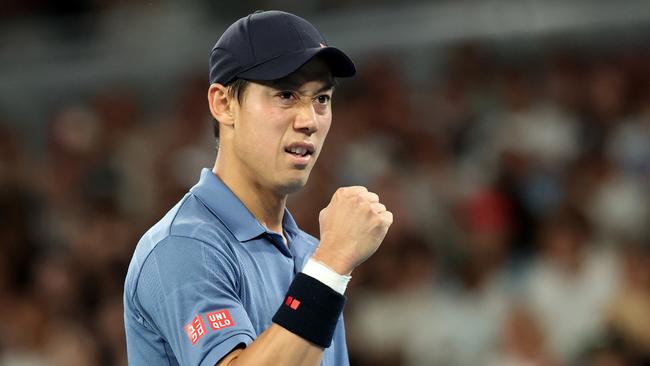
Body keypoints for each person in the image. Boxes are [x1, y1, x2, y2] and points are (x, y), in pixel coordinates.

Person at [123, 10, 393, 366]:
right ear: (223, 104)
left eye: (321, 99)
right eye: (285, 94)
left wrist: (326, 266)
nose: (309, 120)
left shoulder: (310, 254)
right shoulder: (183, 247)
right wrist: (332, 264)